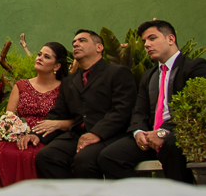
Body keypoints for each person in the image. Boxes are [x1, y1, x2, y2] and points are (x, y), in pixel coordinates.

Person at [98, 20, 206, 183]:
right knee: (109, 156)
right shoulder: (149, 75)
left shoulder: (195, 67)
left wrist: (163, 132)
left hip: (180, 134)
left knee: (172, 144)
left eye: (152, 38)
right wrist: (138, 132)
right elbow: (139, 110)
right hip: (151, 138)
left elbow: (199, 108)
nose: (146, 44)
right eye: (144, 41)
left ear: (171, 39)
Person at [35, 29, 137, 179]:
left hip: (110, 135)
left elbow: (122, 110)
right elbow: (58, 113)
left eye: (82, 41)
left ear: (99, 47)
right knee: (46, 156)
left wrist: (97, 133)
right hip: (77, 135)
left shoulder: (118, 73)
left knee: (84, 160)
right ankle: (72, 194)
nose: (76, 44)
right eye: (74, 42)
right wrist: (36, 135)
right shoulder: (69, 81)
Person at [0, 42, 69, 188]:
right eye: (39, 54)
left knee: (33, 154)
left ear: (57, 66)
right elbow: (9, 116)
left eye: (46, 56)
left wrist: (54, 126)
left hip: (49, 137)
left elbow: (73, 120)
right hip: (20, 134)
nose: (40, 58)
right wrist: (2, 129)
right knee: (0, 150)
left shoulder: (65, 88)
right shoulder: (21, 86)